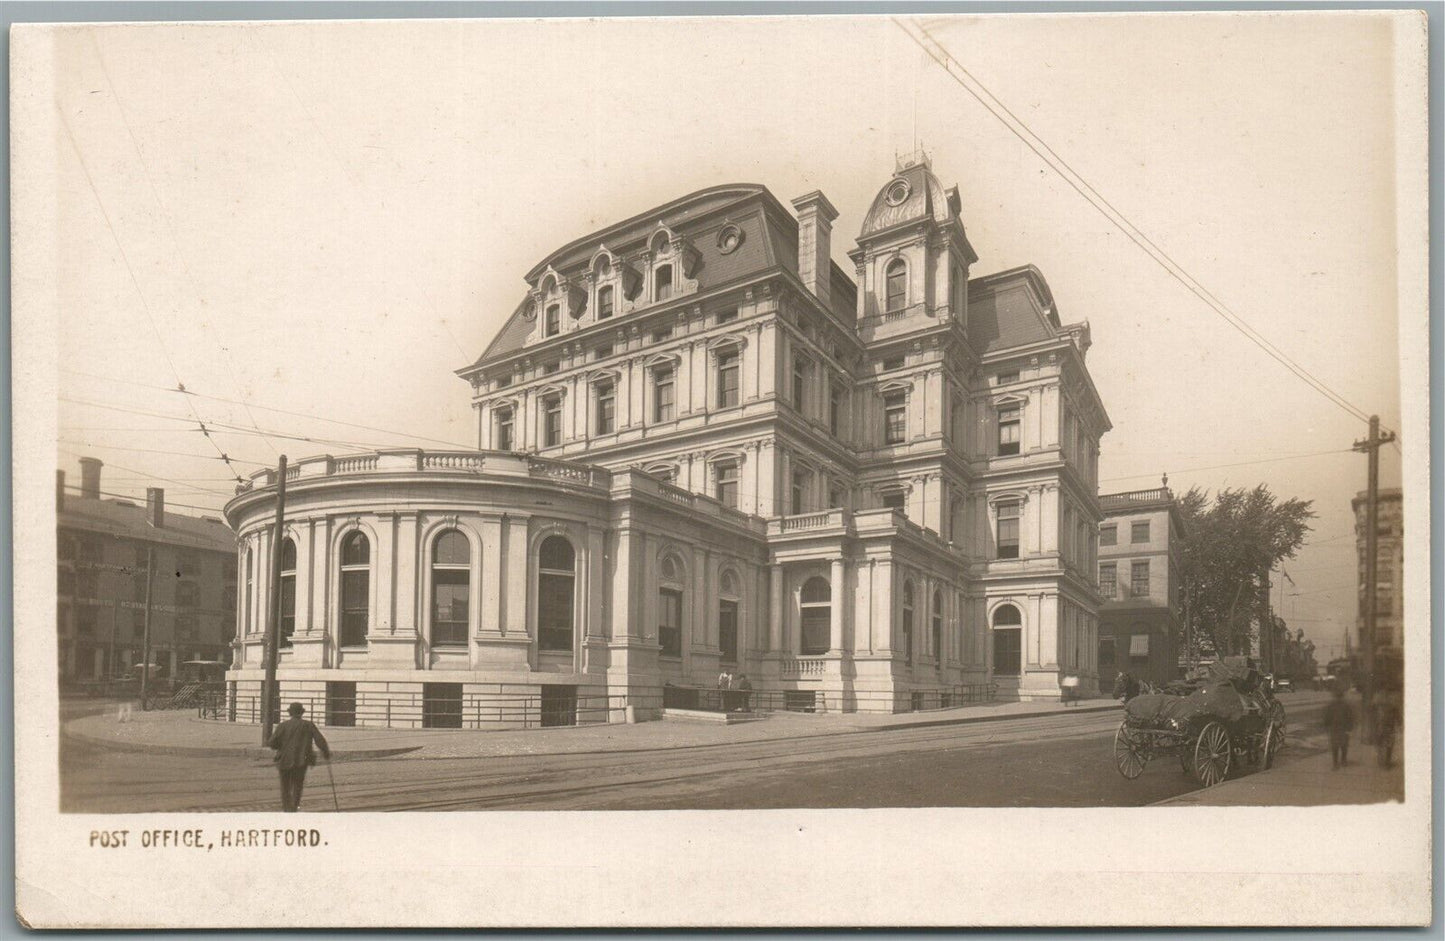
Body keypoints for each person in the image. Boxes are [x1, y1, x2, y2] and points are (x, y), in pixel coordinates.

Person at [267, 702, 331, 812]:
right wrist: (325, 752)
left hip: (284, 760)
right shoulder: (308, 725)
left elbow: (272, 743)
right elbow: (319, 740)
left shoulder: (283, 725)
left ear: (290, 713)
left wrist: (280, 746)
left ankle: (287, 809)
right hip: (301, 761)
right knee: (297, 786)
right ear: (301, 713)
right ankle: (294, 808)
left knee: (285, 787)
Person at [1323, 687, 1355, 770]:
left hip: (1335, 728)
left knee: (1335, 746)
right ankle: (1342, 761)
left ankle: (1336, 763)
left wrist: (1326, 725)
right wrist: (1350, 727)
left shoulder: (1331, 705)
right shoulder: (1346, 705)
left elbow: (1327, 717)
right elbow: (1350, 717)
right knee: (1343, 745)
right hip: (1342, 728)